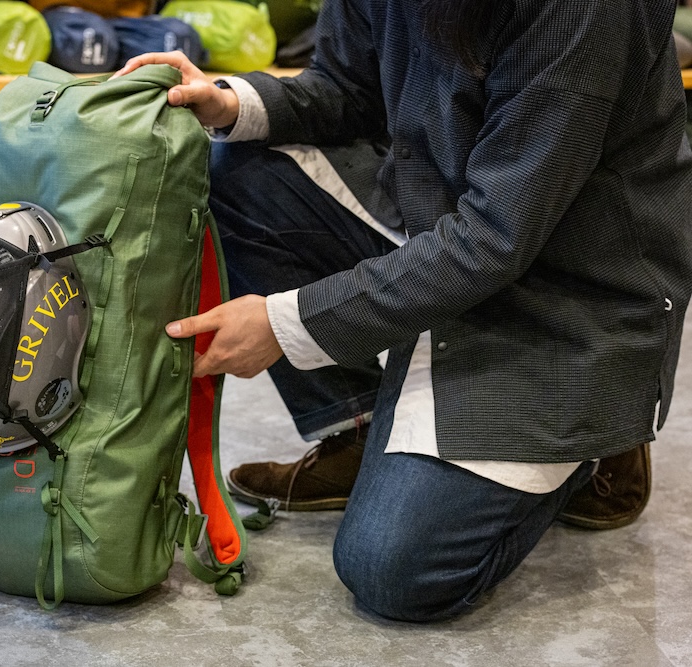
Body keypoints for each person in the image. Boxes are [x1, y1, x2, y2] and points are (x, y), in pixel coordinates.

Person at [114, 0, 692, 622]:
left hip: (570, 296)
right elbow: (349, 87)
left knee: (393, 570)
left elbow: (494, 237)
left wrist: (291, 323)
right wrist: (230, 101)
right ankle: (365, 436)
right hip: (446, 214)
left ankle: (600, 439)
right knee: (234, 168)